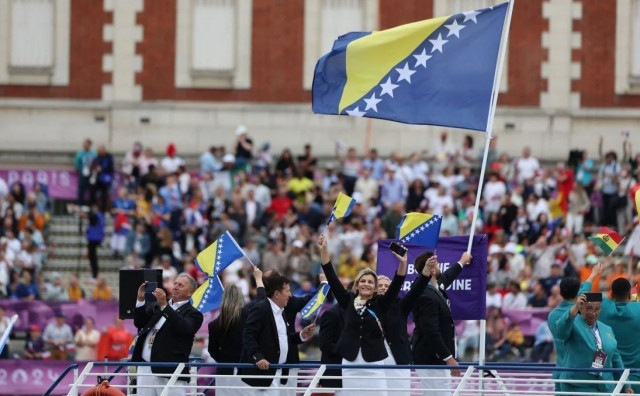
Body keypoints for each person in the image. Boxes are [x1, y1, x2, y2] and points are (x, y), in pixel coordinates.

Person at [317, 234, 406, 396]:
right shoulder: (347, 301)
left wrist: (403, 263)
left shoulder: (381, 304)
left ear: (375, 287)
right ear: (357, 285)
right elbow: (332, 277)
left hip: (375, 364)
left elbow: (398, 283)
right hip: (350, 364)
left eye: (370, 282)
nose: (366, 284)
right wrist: (324, 251)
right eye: (363, 281)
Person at [240, 273, 315, 395]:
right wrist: (258, 357)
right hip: (262, 375)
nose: (290, 295)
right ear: (276, 294)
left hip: (277, 373)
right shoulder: (261, 309)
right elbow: (248, 335)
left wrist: (301, 335)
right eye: (288, 291)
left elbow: (281, 338)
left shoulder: (281, 312)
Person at [412, 250, 473, 396]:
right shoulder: (425, 295)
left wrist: (462, 261)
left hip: (434, 358)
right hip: (432, 359)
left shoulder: (432, 287)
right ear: (432, 269)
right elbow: (431, 331)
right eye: (437, 264)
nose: (440, 267)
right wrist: (448, 358)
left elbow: (447, 277)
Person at [131, 274, 204, 396]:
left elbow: (183, 328)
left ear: (190, 292)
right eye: (175, 283)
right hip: (145, 368)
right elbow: (139, 322)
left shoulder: (194, 314)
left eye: (180, 285)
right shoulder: (156, 306)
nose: (175, 287)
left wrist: (165, 305)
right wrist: (140, 299)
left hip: (170, 371)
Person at [555, 292, 633, 394]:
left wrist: (625, 384)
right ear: (581, 308)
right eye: (589, 308)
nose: (593, 313)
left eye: (597, 309)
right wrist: (573, 310)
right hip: (576, 387)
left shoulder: (607, 329)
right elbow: (560, 333)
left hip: (605, 389)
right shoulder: (572, 323)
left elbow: (615, 358)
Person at [377, 257, 431, 396]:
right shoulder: (367, 306)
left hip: (398, 359)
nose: (383, 288)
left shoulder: (400, 306)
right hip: (374, 359)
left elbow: (416, 291)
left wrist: (425, 272)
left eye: (386, 286)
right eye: (380, 285)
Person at [208, 267, 264, 396]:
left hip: (224, 373)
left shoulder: (214, 324)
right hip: (245, 371)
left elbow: (213, 351)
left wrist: (225, 361)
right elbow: (261, 303)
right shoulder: (248, 315)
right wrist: (258, 279)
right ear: (240, 298)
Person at [547, 268, 600, 394]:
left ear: (560, 292)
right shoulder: (583, 314)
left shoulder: (552, 315)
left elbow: (584, 290)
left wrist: (592, 276)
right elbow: (584, 291)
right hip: (579, 377)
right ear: (578, 294)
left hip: (560, 373)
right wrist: (593, 274)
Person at [598, 278, 640, 393]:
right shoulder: (638, 309)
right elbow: (634, 305)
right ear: (629, 294)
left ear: (611, 294)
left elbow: (582, 295)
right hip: (635, 377)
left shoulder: (603, 305)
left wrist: (593, 275)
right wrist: (634, 297)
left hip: (608, 377)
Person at [318, 303, 345, 393]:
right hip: (335, 375)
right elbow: (325, 344)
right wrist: (348, 350)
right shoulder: (331, 313)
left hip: (356, 374)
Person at [75, 138, 96, 206]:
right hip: (83, 173)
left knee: (92, 190)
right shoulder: (80, 153)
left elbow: (96, 162)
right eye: (84, 144)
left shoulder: (94, 154)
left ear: (90, 145)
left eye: (87, 144)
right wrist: (82, 168)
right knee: (81, 190)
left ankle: (91, 206)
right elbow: (77, 163)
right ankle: (80, 205)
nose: (85, 146)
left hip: (91, 173)